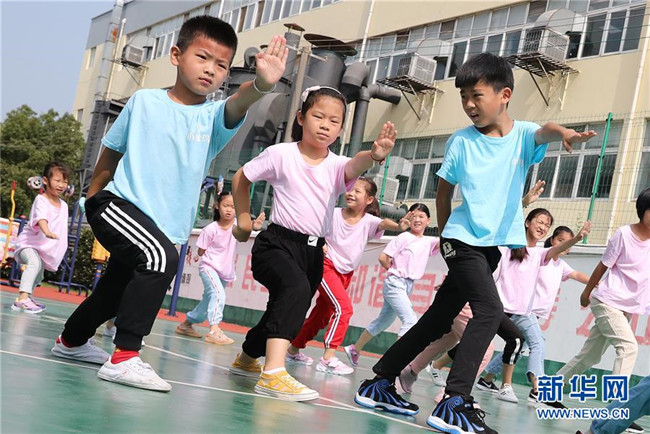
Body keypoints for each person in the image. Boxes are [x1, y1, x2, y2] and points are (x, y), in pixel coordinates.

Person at [353, 52, 596, 433]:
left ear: (504, 95)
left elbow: (544, 130)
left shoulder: (521, 136)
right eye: (463, 96)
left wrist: (565, 133)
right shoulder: (461, 142)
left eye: (476, 95)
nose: (468, 104)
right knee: (489, 310)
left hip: (489, 248)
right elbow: (444, 192)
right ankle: (454, 401)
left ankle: (380, 381)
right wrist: (445, 234)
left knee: (438, 319)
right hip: (461, 241)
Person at [50, 15, 288, 392]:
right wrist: (92, 195)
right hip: (118, 205)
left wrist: (262, 84)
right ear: (176, 55)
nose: (210, 69)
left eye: (221, 65)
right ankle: (124, 356)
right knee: (160, 258)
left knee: (115, 290)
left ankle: (71, 341)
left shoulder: (213, 118)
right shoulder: (144, 101)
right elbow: (111, 151)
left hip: (160, 226)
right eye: (202, 57)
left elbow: (239, 101)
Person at [229, 85, 396, 401]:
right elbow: (242, 177)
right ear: (301, 117)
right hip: (276, 243)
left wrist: (374, 155)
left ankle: (247, 357)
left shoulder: (336, 165)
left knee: (285, 307)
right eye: (318, 116)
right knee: (294, 291)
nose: (325, 125)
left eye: (334, 121)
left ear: (341, 129)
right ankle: (273, 373)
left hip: (312, 251)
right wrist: (244, 219)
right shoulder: (281, 154)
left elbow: (355, 165)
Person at [286, 177, 411, 375]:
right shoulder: (332, 213)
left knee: (321, 316)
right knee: (344, 309)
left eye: (357, 191)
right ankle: (328, 358)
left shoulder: (369, 221)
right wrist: (320, 243)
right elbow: (312, 229)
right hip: (325, 267)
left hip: (345, 273)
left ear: (369, 200)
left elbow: (383, 223)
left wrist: (398, 227)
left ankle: (293, 350)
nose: (351, 193)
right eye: (350, 189)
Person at [477, 210, 590, 404]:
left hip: (524, 313)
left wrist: (597, 282)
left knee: (521, 345)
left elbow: (576, 272)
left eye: (547, 225)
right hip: (505, 310)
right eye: (540, 222)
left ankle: (491, 380)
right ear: (527, 223)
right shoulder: (509, 250)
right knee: (524, 344)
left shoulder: (544, 256)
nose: (543, 227)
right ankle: (535, 389)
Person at [559, 187, 650, 382]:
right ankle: (616, 399)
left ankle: (546, 391)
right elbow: (603, 266)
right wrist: (586, 292)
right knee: (628, 348)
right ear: (643, 211)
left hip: (626, 308)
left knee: (589, 356)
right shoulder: (623, 234)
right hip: (607, 302)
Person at [344, 203, 439, 365]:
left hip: (407, 285)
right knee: (410, 320)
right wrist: (394, 271)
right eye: (414, 216)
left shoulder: (428, 241)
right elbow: (383, 257)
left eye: (421, 217)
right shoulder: (403, 237)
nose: (417, 220)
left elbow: (444, 241)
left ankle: (355, 349)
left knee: (384, 321)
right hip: (395, 283)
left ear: (428, 221)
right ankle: (395, 361)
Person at [176, 192, 265, 344]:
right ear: (217, 206)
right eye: (226, 206)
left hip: (225, 272)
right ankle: (214, 330)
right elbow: (201, 252)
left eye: (233, 207)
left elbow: (246, 231)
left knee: (207, 302)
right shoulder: (210, 229)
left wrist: (254, 227)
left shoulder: (237, 226)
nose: (229, 210)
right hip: (209, 267)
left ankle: (186, 324)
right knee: (218, 294)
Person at [12, 162, 71, 314]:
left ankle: (26, 298)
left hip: (43, 248)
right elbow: (41, 218)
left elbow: (61, 227)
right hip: (27, 244)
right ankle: (23, 298)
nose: (61, 185)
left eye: (65, 181)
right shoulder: (41, 200)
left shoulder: (64, 206)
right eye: (57, 180)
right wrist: (47, 231)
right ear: (45, 180)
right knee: (34, 263)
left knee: (39, 274)